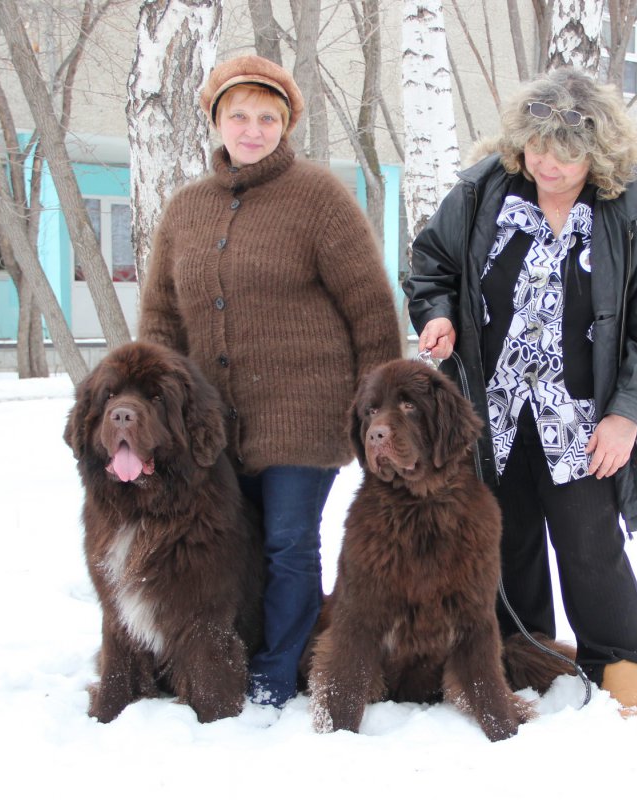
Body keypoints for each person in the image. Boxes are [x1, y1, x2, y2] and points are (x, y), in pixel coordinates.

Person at [404, 67, 637, 715]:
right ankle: (522, 659)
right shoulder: (483, 191)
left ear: (598, 152)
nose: (547, 164)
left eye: (565, 154)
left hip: (586, 417)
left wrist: (628, 414)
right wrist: (437, 313)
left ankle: (618, 669)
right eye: (536, 148)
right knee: (505, 539)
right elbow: (432, 264)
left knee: (589, 542)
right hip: (495, 410)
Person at [139, 55, 401, 708]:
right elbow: (162, 318)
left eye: (266, 118)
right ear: (216, 121)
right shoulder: (186, 209)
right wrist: (154, 414)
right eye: (238, 116)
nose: (251, 130)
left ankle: (276, 672)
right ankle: (227, 656)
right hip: (212, 424)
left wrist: (379, 414)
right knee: (235, 546)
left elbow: (370, 307)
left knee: (288, 543)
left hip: (306, 413)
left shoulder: (318, 197)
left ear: (285, 126)